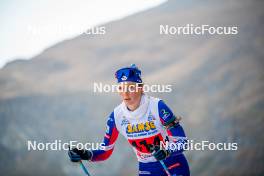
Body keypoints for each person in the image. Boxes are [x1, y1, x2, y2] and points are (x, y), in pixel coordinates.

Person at [68, 64, 190, 176]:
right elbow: (105, 152)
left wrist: (166, 151)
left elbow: (182, 142)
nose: (125, 93)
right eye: (121, 88)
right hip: (147, 168)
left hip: (173, 164)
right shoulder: (116, 116)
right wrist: (86, 154)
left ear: (141, 88)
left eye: (131, 88)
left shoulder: (157, 106)